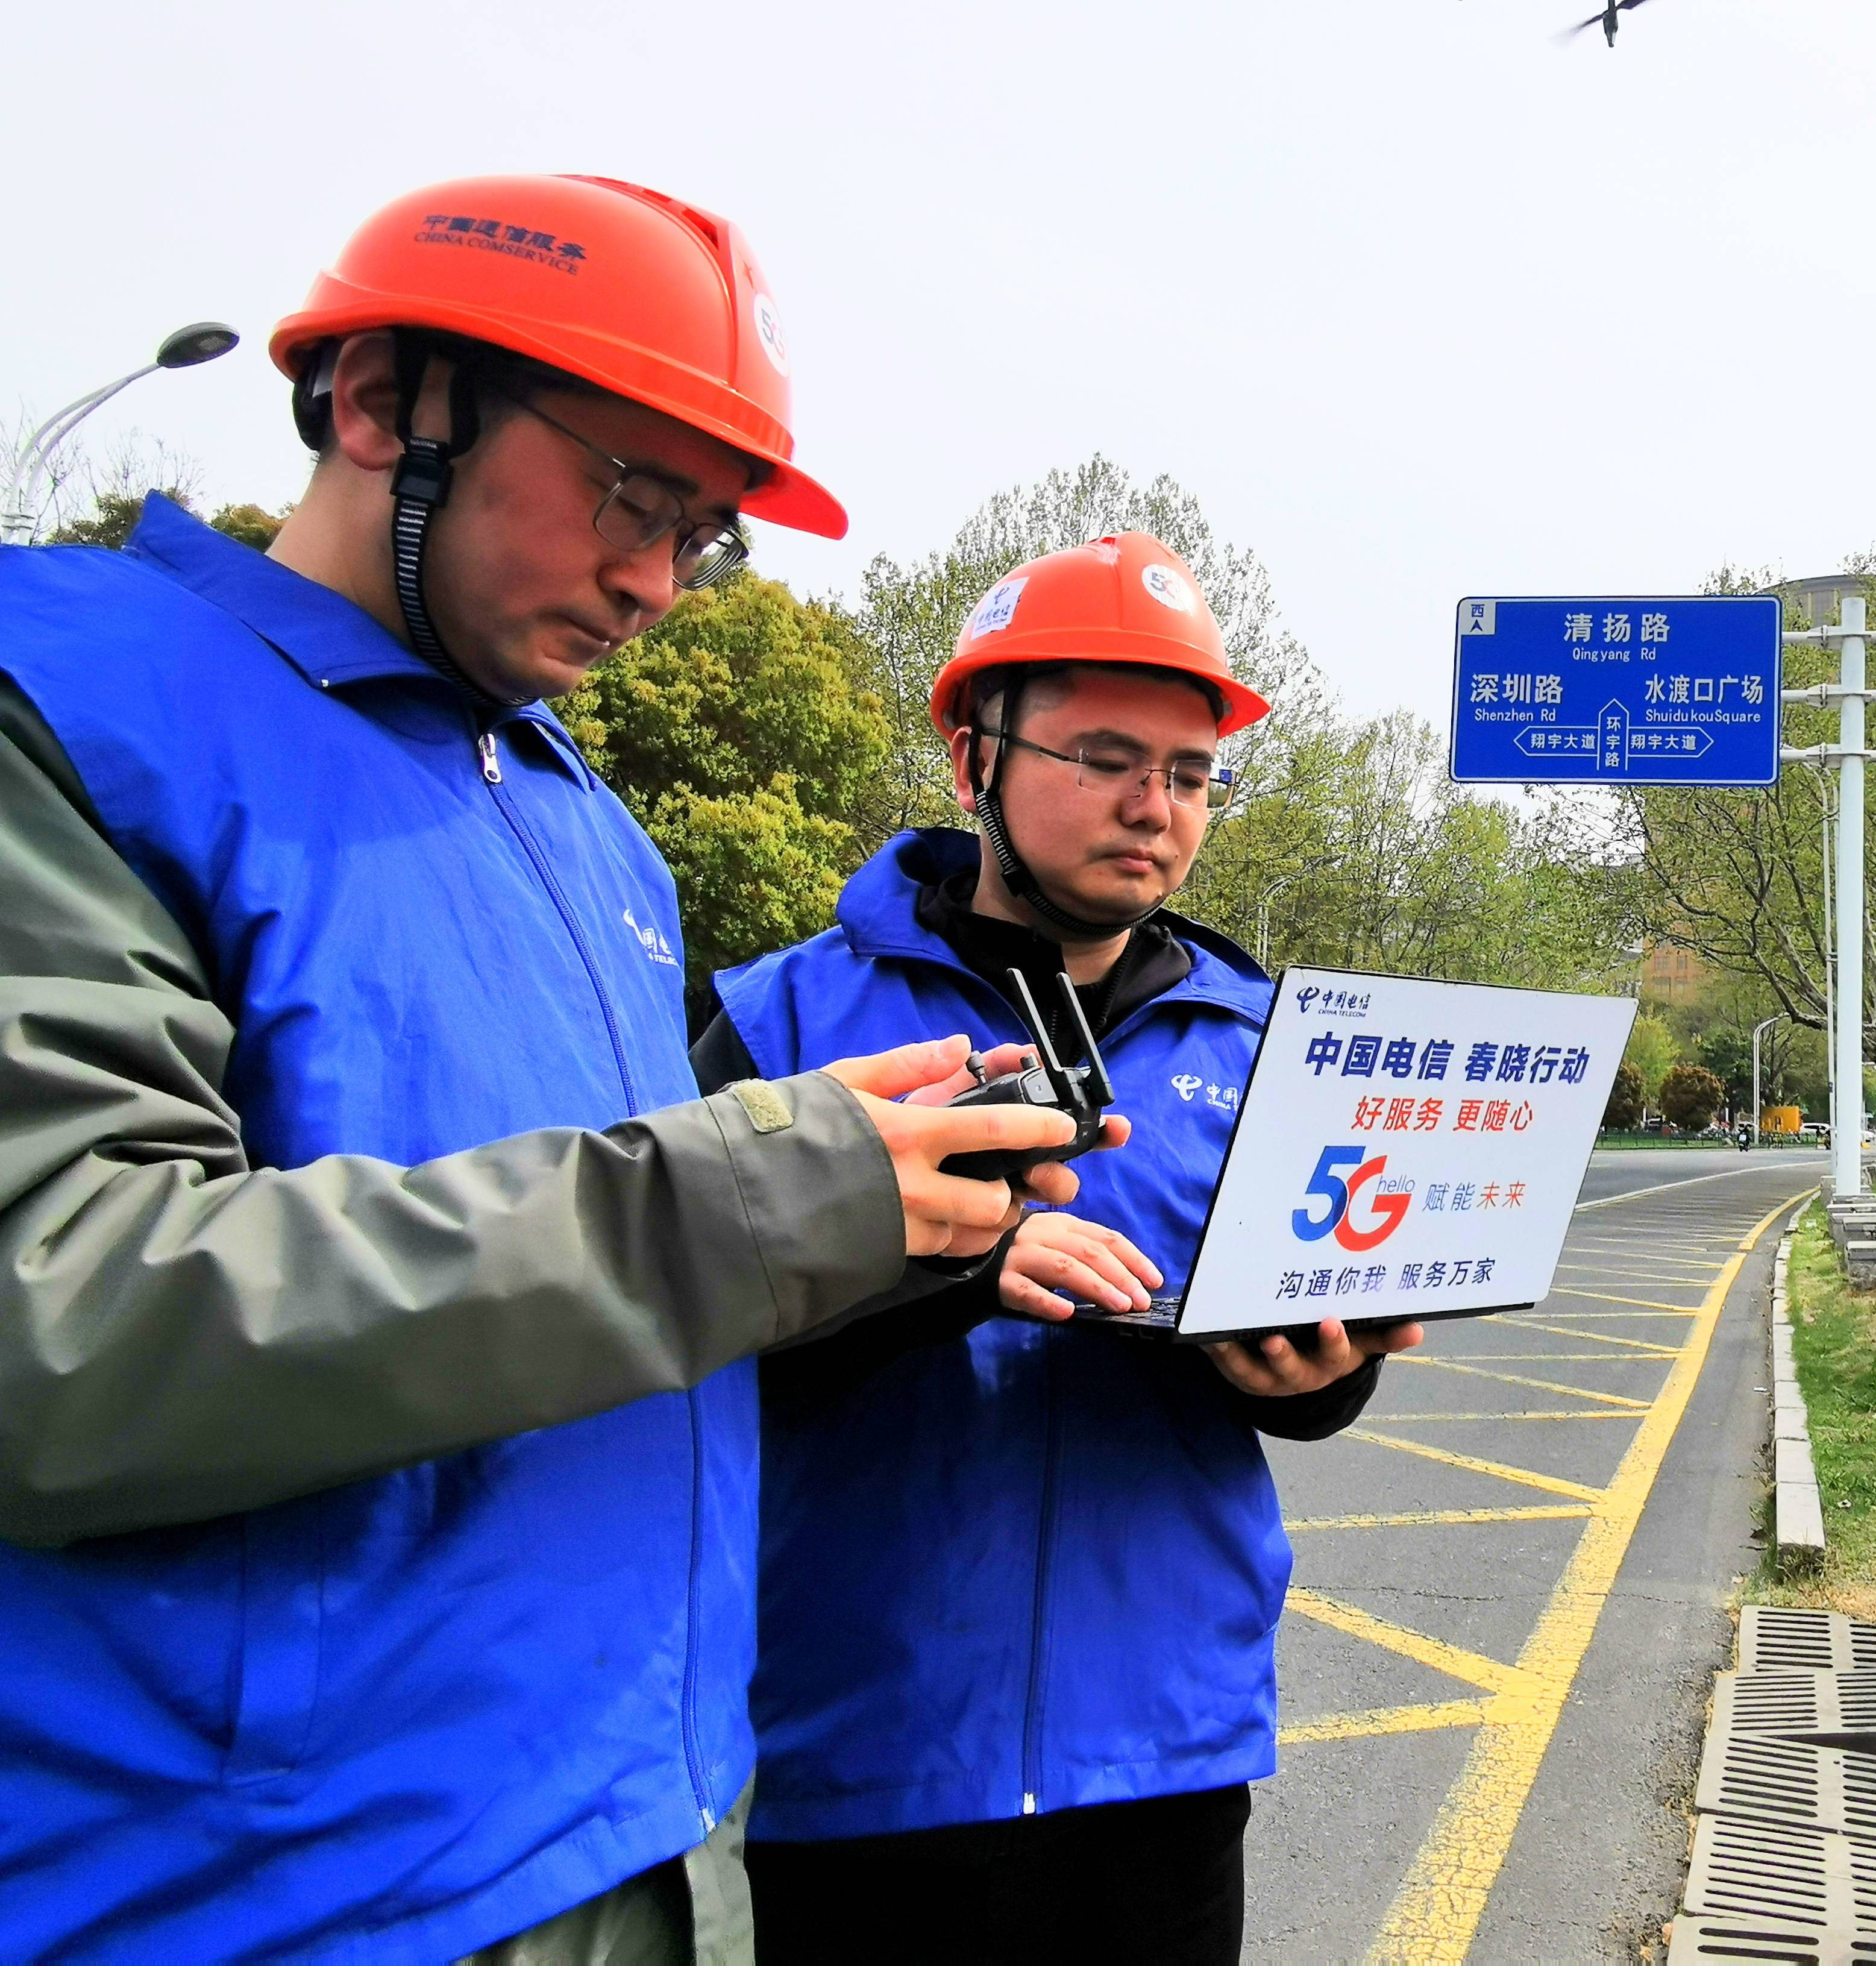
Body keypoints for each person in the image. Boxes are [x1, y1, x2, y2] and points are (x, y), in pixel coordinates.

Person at [0, 176, 1105, 1964]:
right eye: (629, 496)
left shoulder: (593, 833)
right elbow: (62, 1326)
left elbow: (604, 1280)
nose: (658, 584)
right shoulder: (65, 704)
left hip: (653, 1837)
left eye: (706, 535)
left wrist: (897, 1225)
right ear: (384, 402)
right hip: (282, 1895)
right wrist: (762, 1197)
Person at [694, 534, 1417, 1965]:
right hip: (846, 1753)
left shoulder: (1273, 1051)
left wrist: (1317, 1379)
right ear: (975, 755)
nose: (1155, 807)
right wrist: (938, 1279)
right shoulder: (781, 1022)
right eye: (1104, 758)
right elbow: (677, 1336)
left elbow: (1313, 1363)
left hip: (1158, 1759)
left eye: (1192, 774)